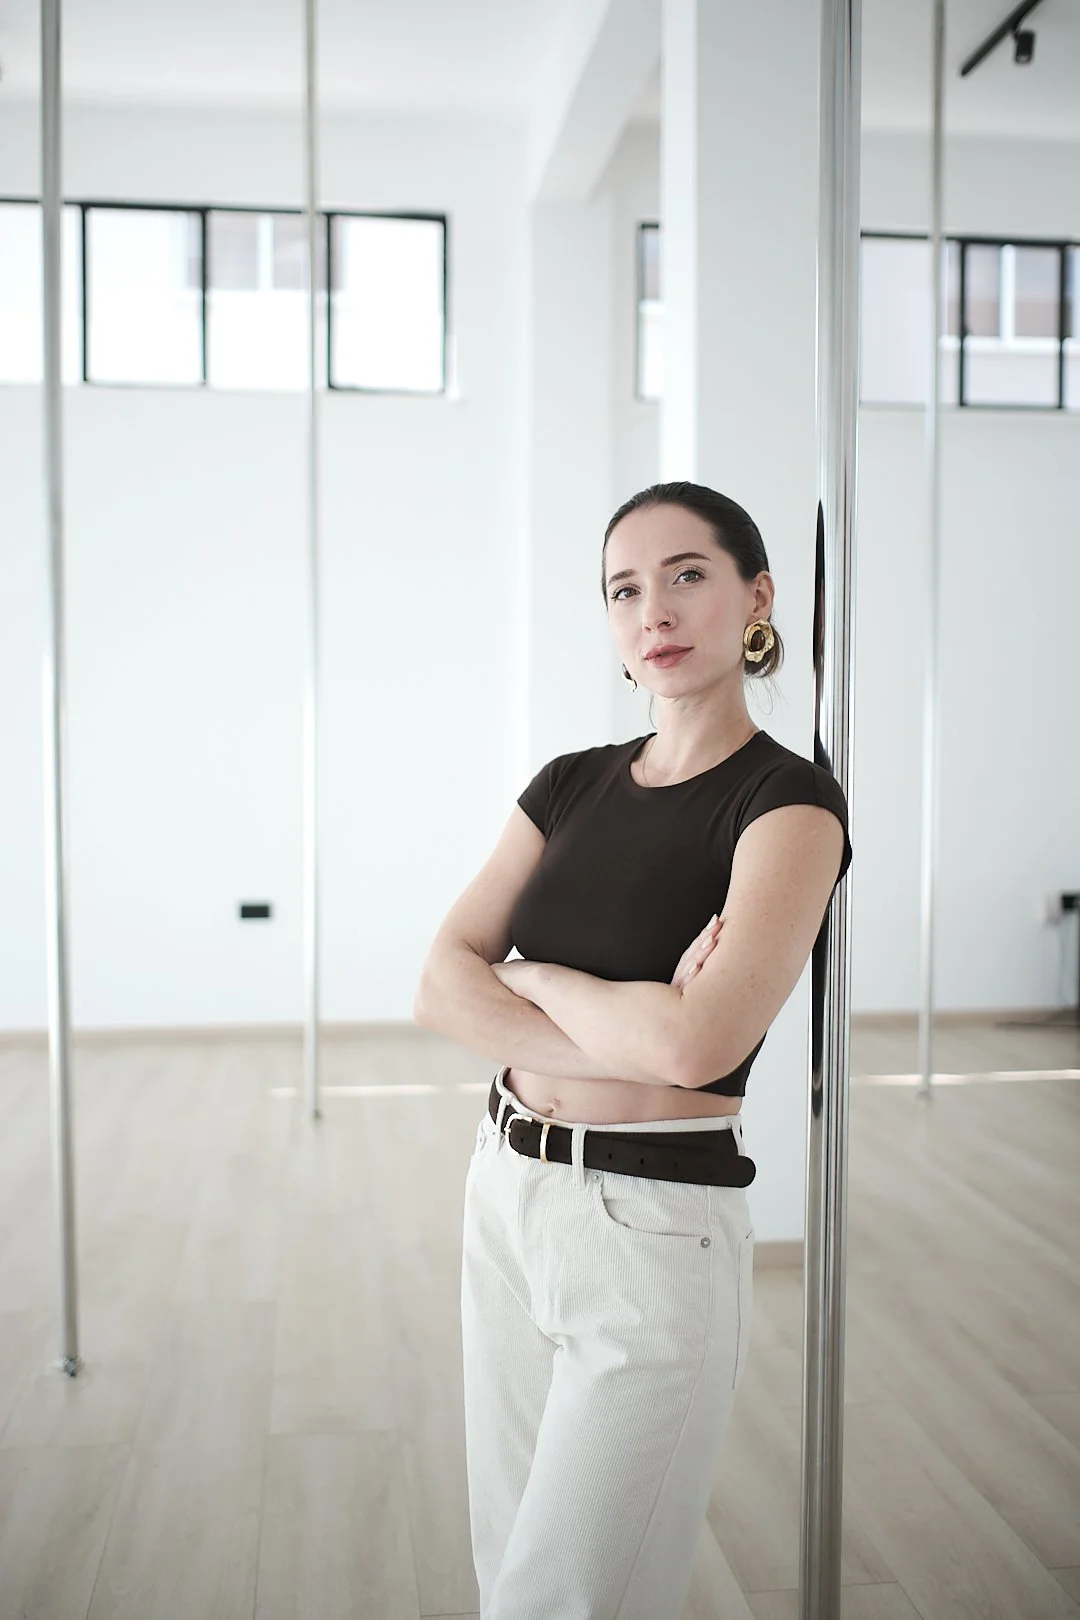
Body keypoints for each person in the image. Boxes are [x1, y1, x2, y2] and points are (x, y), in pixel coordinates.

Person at [416, 480, 852, 1620]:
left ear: (757, 597)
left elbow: (706, 1042)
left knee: (564, 1598)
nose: (652, 608)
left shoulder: (788, 806)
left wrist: (537, 978)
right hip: (505, 1191)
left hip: (651, 1231)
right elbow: (438, 983)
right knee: (506, 1562)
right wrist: (642, 1020)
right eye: (624, 589)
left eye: (687, 576)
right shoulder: (568, 784)